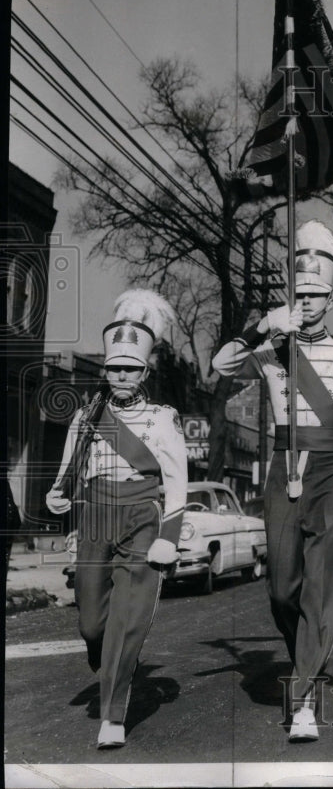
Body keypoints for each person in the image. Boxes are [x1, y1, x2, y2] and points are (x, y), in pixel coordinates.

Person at [212, 219, 333, 742]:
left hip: (330, 472)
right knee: (282, 590)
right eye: (299, 294)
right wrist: (263, 326)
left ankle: (303, 696)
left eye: (315, 296)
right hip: (282, 470)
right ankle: (306, 651)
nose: (306, 303)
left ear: (329, 300)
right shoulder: (271, 350)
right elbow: (221, 365)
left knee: (317, 590)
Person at [45, 290, 186, 749]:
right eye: (114, 368)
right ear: (105, 370)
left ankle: (113, 714)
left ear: (145, 371)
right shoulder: (87, 417)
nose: (121, 376)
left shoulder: (163, 419)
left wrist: (169, 535)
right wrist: (57, 496)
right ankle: (102, 654)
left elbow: (178, 483)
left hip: (142, 516)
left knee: (128, 620)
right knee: (91, 624)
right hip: (96, 518)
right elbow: (69, 472)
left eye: (130, 368)